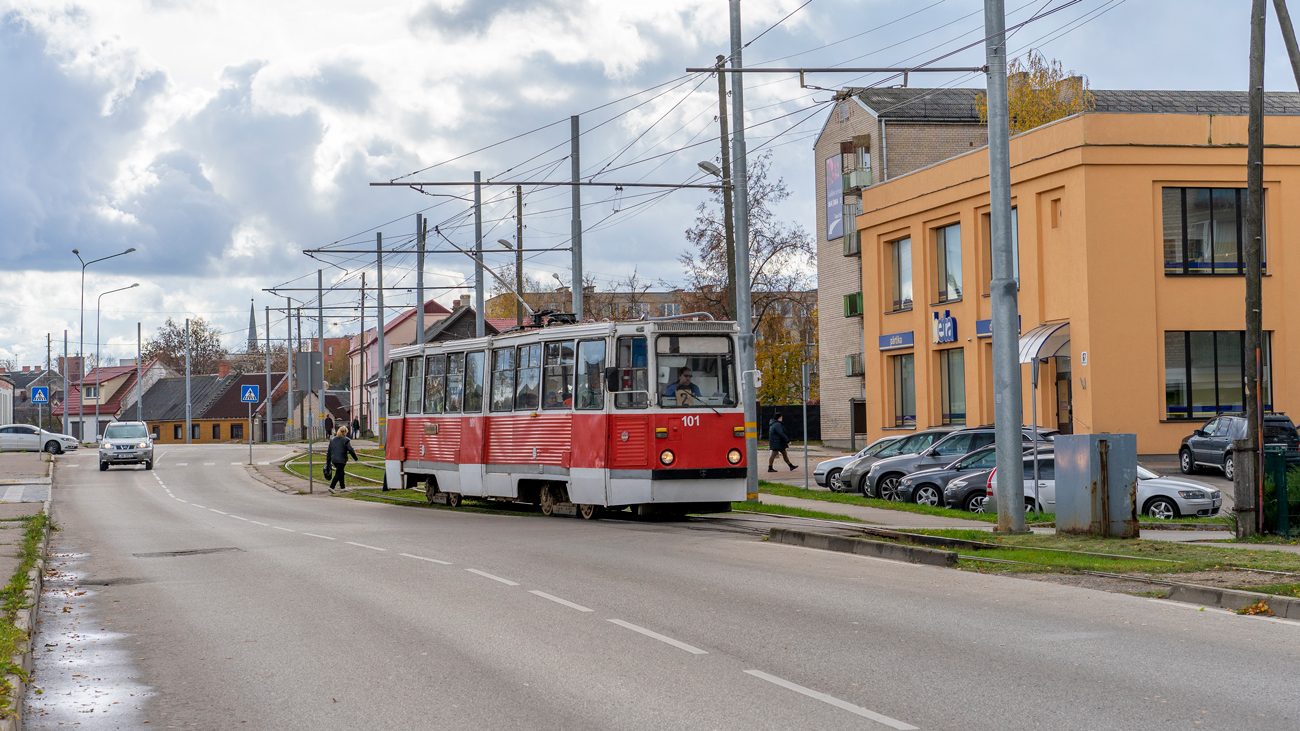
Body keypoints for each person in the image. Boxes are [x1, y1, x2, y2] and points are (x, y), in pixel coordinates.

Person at [327, 425, 358, 492]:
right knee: (338, 473)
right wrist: (355, 458)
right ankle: (332, 487)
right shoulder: (346, 440)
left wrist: (328, 462)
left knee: (341, 472)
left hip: (334, 459)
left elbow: (329, 452)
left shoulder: (332, 440)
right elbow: (351, 450)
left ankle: (342, 487)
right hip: (341, 459)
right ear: (344, 432)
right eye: (346, 432)